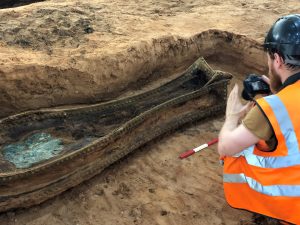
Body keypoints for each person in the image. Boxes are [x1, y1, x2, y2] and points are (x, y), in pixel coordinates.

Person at [218, 14, 300, 225]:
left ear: (278, 59)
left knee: (236, 154)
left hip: (295, 208)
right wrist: (278, 93)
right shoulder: (281, 101)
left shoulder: (272, 109)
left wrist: (231, 117)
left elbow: (225, 147)